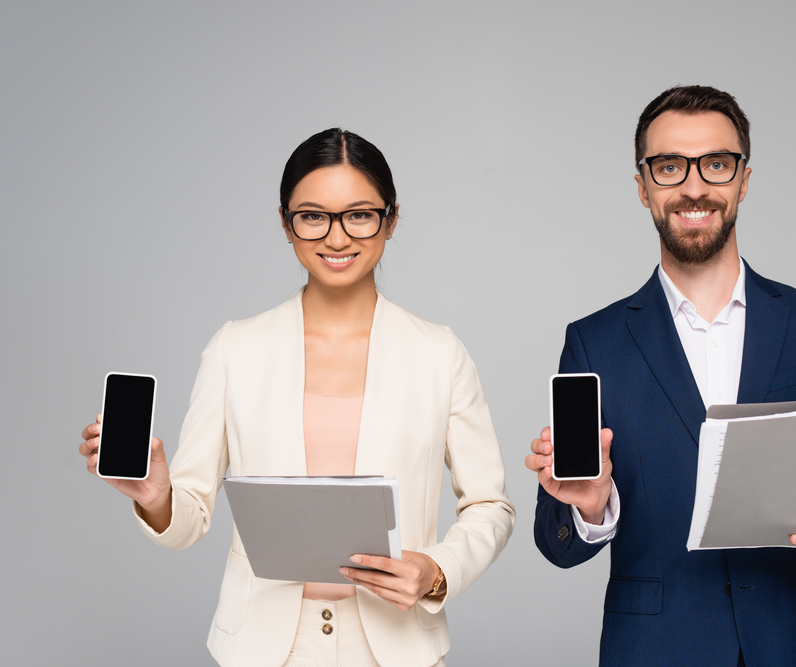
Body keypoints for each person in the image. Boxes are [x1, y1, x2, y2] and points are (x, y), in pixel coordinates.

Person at [80, 128, 515, 667]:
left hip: (396, 647)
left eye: (359, 214)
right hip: (263, 649)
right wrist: (156, 496)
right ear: (287, 225)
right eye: (313, 216)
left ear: (391, 219)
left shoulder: (440, 354)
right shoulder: (234, 349)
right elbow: (188, 520)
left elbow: (490, 507)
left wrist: (437, 569)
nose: (336, 238)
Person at [525, 85, 796, 667]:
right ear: (643, 186)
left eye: (717, 164)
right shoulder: (593, 342)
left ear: (743, 180)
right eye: (670, 166)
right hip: (657, 649)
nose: (694, 186)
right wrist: (590, 508)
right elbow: (558, 540)